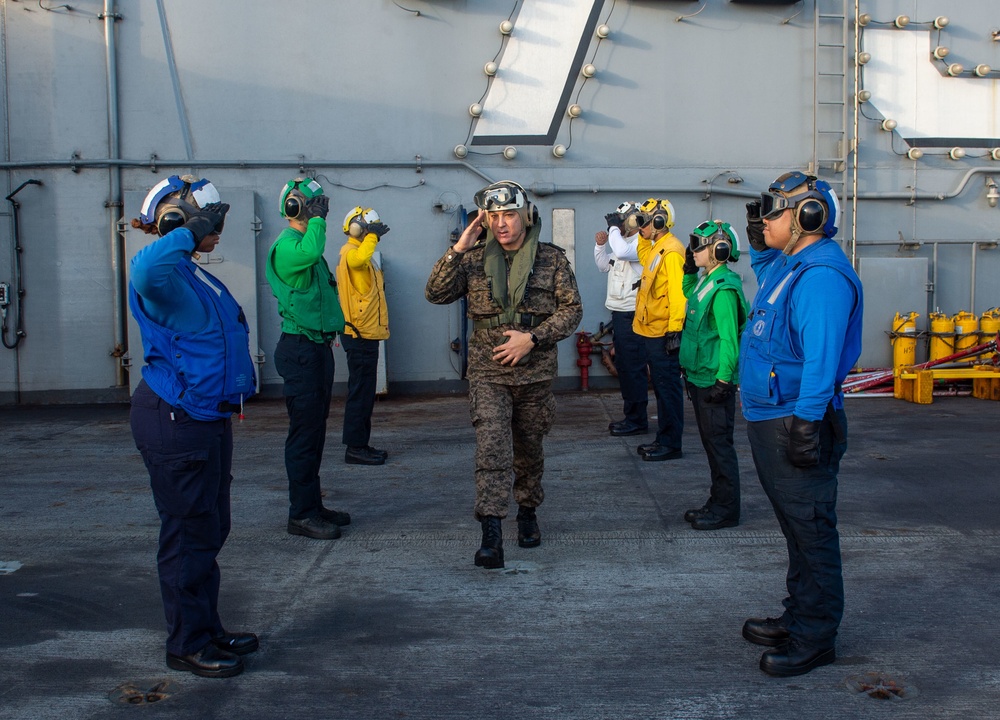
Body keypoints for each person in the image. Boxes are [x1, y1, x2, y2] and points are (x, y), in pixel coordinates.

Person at [128, 175, 258, 678]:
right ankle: (186, 642)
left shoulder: (190, 272)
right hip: (176, 418)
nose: (218, 230)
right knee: (187, 533)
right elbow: (143, 269)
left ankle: (206, 626)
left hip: (206, 415)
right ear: (179, 218)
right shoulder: (162, 270)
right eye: (211, 220)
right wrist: (184, 229)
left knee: (210, 527)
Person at [738, 171, 863, 677]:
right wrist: (758, 236)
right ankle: (799, 615)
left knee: (811, 530)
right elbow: (767, 268)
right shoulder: (793, 264)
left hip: (796, 419)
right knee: (796, 528)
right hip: (774, 416)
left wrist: (808, 425)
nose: (765, 219)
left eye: (774, 211)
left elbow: (820, 359)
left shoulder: (821, 277)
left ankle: (816, 636)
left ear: (808, 216)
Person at [425, 180, 582, 569]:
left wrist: (532, 337)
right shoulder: (473, 259)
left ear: (525, 216)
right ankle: (491, 533)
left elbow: (571, 310)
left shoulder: (552, 259)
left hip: (534, 374)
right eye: (493, 216)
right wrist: (459, 247)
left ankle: (527, 512)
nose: (501, 224)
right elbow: (436, 293)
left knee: (529, 452)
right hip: (488, 372)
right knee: (491, 451)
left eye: (509, 214)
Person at [265, 177, 351, 541]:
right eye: (312, 206)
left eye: (322, 206)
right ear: (294, 208)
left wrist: (314, 222)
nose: (321, 212)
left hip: (316, 348)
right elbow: (313, 253)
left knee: (315, 432)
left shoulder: (303, 243)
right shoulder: (289, 247)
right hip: (300, 350)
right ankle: (300, 514)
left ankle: (312, 506)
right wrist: (315, 221)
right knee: (303, 435)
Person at [678, 220, 749, 531]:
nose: (693, 250)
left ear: (719, 250)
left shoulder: (724, 290)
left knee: (720, 446)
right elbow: (689, 294)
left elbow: (730, 341)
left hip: (712, 380)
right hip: (698, 376)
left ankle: (726, 510)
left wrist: (724, 381)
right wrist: (689, 270)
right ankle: (717, 500)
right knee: (711, 445)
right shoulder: (708, 280)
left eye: (699, 245)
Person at [632, 198, 687, 461]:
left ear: (659, 222)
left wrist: (674, 332)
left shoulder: (672, 252)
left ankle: (671, 444)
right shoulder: (657, 248)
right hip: (651, 330)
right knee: (662, 389)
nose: (638, 226)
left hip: (664, 332)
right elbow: (644, 257)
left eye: (643, 221)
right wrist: (644, 234)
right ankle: (663, 438)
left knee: (668, 390)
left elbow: (678, 295)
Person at [337, 206, 391, 466]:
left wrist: (370, 237)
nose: (373, 234)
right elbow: (359, 260)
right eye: (368, 229)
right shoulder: (351, 253)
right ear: (357, 227)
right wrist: (371, 237)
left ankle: (360, 444)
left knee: (365, 393)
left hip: (366, 334)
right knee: (360, 393)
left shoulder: (361, 254)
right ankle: (355, 448)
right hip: (359, 335)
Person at [594, 202, 649, 437]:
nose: (619, 224)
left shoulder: (642, 243)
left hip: (632, 314)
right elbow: (603, 265)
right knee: (625, 367)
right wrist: (599, 246)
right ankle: (632, 416)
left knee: (633, 368)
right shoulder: (622, 243)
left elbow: (625, 252)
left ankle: (637, 420)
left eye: (623, 219)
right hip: (619, 313)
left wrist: (614, 229)